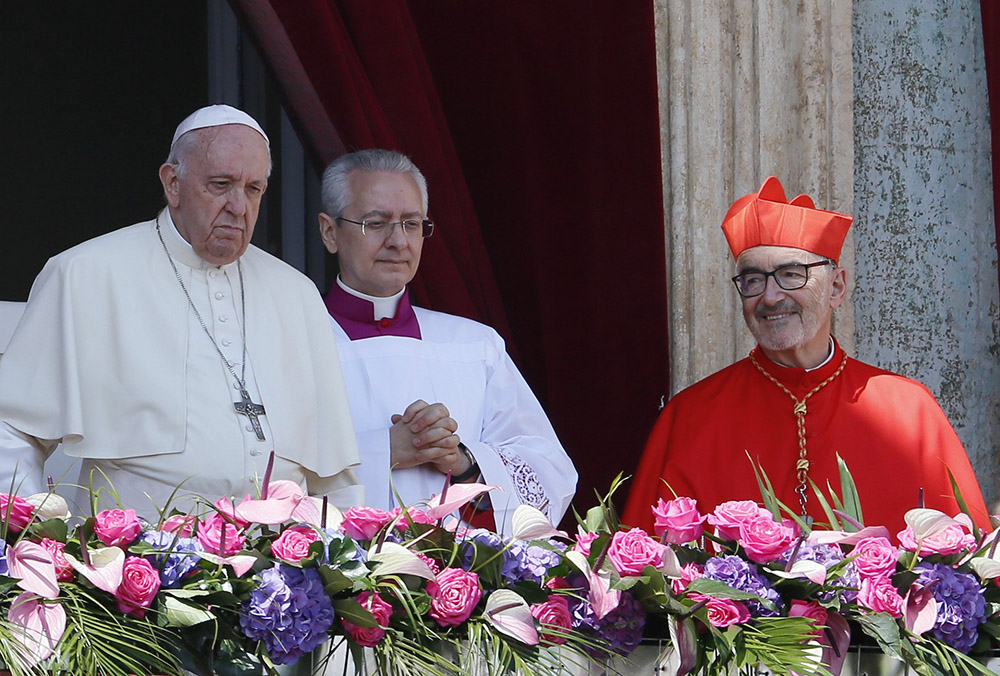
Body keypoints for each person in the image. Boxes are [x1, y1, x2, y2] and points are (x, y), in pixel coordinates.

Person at [0, 105, 361, 516]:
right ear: (173, 183)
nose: (239, 207)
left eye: (253, 189)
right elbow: (11, 432)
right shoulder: (85, 274)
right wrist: (38, 543)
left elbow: (333, 475)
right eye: (221, 184)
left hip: (281, 571)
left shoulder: (296, 293)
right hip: (140, 565)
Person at [623, 176, 990, 535]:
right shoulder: (691, 416)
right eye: (752, 280)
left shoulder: (910, 411)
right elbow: (645, 579)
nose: (770, 297)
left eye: (791, 274)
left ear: (836, 287)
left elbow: (967, 574)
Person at [317, 149, 576, 533]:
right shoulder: (288, 343)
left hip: (463, 580)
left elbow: (549, 469)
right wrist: (384, 450)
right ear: (330, 232)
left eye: (411, 223)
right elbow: (259, 471)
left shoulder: (475, 346)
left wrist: (465, 460)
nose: (398, 241)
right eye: (376, 223)